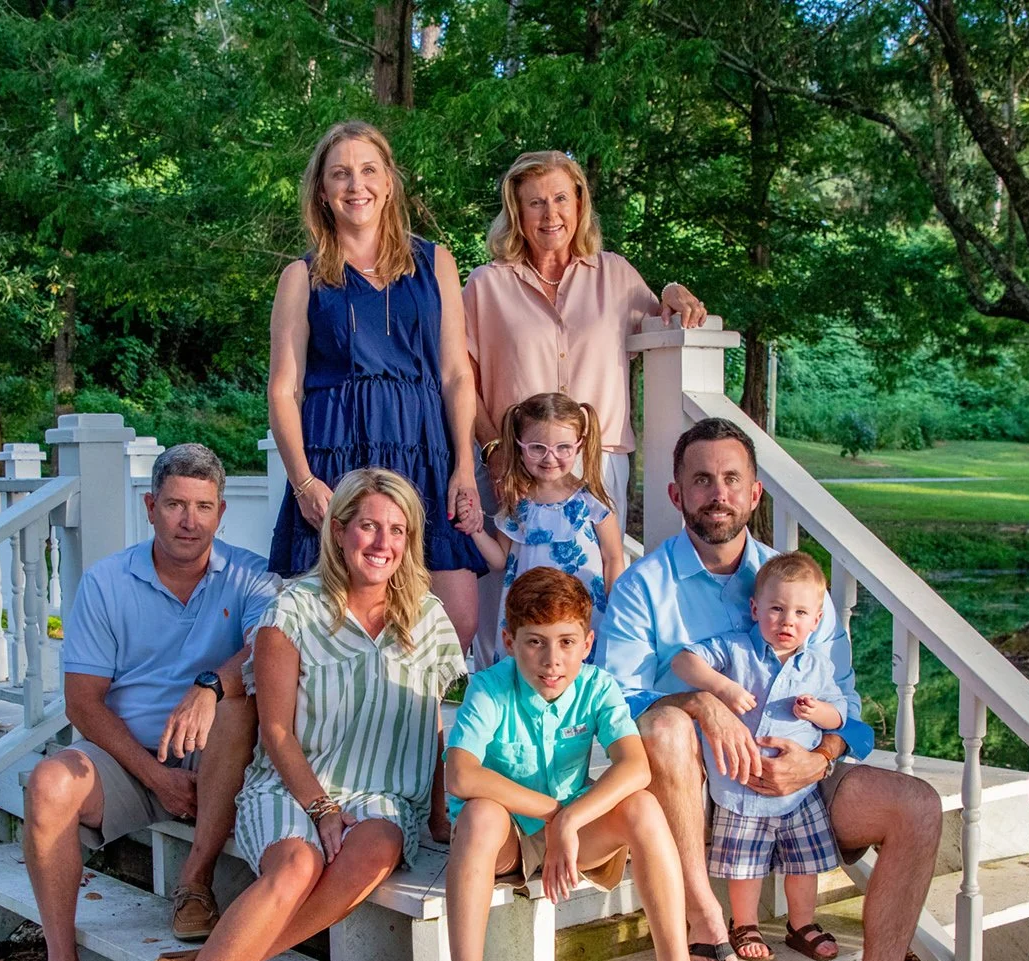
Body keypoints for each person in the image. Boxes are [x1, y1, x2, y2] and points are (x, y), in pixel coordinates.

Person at [602, 417, 982, 961]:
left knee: (917, 806)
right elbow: (615, 716)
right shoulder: (644, 588)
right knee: (663, 727)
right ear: (675, 493)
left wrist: (823, 754)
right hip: (689, 792)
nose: (716, 492)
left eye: (730, 479)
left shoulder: (800, 587)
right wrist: (699, 703)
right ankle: (703, 917)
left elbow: (854, 716)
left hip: (796, 783)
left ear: (753, 494)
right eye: (700, 480)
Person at [151, 469, 466, 961]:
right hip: (293, 785)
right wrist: (320, 809)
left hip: (382, 793)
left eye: (397, 530)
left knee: (376, 848)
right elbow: (273, 729)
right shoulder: (291, 609)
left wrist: (441, 812)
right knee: (296, 864)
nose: (382, 542)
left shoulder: (428, 617)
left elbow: (446, 720)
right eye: (369, 525)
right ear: (340, 529)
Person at [18, 444, 276, 961]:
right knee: (50, 784)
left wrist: (210, 685)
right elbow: (83, 702)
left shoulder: (248, 574)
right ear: (150, 507)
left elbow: (269, 646)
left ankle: (195, 881)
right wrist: (153, 773)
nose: (190, 520)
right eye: (176, 505)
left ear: (221, 512)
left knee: (238, 707)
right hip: (130, 760)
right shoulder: (108, 581)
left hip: (218, 757)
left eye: (204, 507)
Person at [422, 568, 726, 961]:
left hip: (574, 832)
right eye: (534, 642)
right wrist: (555, 815)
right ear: (508, 641)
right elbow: (460, 775)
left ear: (588, 642)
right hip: (506, 838)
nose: (551, 660)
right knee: (479, 816)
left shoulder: (597, 687)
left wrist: (572, 820)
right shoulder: (489, 688)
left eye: (566, 642)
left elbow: (635, 766)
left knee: (644, 805)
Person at [462, 149, 707, 664]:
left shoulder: (614, 274)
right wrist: (493, 450)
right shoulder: (487, 284)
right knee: (509, 595)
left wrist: (672, 288)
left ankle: (586, 707)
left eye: (560, 199)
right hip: (515, 462)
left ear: (580, 203)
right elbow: (463, 379)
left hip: (597, 460)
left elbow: (657, 313)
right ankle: (507, 704)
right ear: (516, 212)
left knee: (590, 591)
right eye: (534, 203)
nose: (550, 214)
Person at [267, 120, 486, 649]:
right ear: (322, 190)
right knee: (326, 626)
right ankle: (334, 729)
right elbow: (283, 390)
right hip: (336, 453)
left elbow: (457, 374)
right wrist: (303, 481)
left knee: (455, 619)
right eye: (340, 173)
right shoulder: (303, 275)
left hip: (422, 451)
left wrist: (464, 467)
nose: (355, 185)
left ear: (389, 182)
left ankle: (426, 726)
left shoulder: (435, 263)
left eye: (368, 170)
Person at [671, 552, 847, 961]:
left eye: (801, 613)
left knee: (804, 863)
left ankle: (801, 922)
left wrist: (817, 712)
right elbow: (683, 661)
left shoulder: (817, 666)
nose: (787, 621)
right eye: (776, 609)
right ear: (755, 609)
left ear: (816, 620)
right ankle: (744, 923)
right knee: (745, 865)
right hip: (742, 786)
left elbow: (840, 713)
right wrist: (723, 688)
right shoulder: (735, 649)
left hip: (798, 793)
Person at [468, 392, 625, 652]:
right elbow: (499, 560)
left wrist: (617, 609)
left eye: (563, 448)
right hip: (528, 618)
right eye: (537, 448)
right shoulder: (517, 503)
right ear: (519, 444)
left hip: (582, 620)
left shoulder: (592, 503)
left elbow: (613, 559)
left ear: (580, 443)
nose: (550, 458)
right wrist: (475, 529)